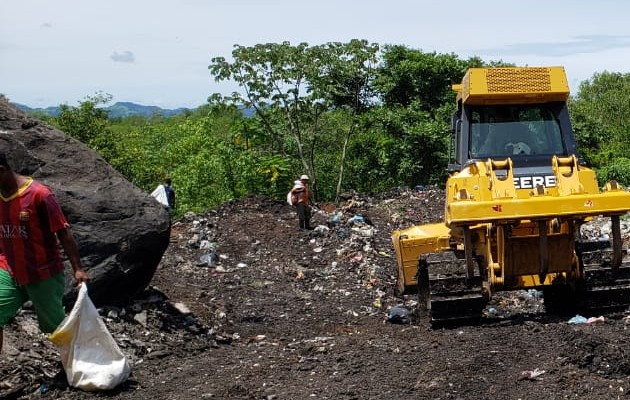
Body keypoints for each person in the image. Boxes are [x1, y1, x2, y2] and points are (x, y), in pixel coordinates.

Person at [0, 151, 89, 354]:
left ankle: (79, 361)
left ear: (2, 171)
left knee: (55, 326)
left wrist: (78, 268)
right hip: (9, 268)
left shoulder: (39, 194)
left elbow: (63, 232)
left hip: (42, 273)